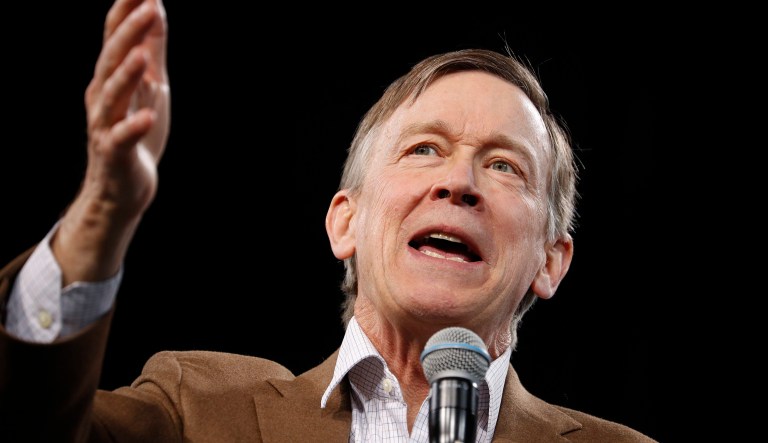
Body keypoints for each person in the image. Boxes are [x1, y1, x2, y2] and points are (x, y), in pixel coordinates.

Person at [0, 0, 657, 441]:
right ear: (345, 221)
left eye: (506, 166)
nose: (458, 182)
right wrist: (102, 214)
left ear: (551, 260)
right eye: (423, 148)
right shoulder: (194, 409)